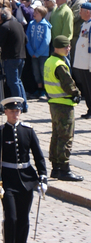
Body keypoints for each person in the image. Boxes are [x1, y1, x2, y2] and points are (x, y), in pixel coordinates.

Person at [0, 97, 48, 243]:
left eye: (17, 111)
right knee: (11, 218)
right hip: (7, 180)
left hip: (27, 180)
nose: (15, 114)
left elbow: (38, 156)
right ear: (5, 112)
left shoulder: (28, 131)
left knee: (23, 220)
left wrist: (43, 178)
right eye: (11, 111)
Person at [44, 35, 84, 181]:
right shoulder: (60, 64)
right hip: (64, 104)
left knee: (56, 134)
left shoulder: (50, 61)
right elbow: (69, 84)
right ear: (59, 47)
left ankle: (55, 167)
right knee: (66, 136)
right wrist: (77, 94)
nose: (69, 49)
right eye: (66, 46)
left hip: (54, 102)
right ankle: (64, 168)